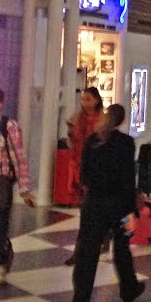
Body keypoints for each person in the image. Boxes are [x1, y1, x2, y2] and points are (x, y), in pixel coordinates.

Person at [71, 104, 145, 302]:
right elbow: (129, 178)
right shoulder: (126, 143)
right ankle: (128, 288)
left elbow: (84, 175)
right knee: (122, 248)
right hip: (121, 206)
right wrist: (133, 207)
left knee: (87, 254)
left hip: (93, 205)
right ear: (122, 121)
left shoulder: (91, 142)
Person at [0, 88, 35, 285]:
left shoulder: (8, 126)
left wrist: (25, 188)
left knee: (0, 221)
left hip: (2, 179)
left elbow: (19, 157)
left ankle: (0, 261)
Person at [64, 86, 104, 265]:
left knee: (93, 211)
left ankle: (101, 239)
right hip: (80, 166)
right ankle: (80, 251)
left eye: (88, 99)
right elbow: (71, 139)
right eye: (83, 99)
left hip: (96, 170)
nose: (85, 103)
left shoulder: (102, 119)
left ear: (96, 100)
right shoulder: (77, 117)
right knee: (85, 212)